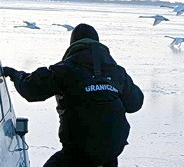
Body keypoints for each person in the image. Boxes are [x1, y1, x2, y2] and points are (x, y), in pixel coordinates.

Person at [2, 23, 144, 167]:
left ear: (73, 45)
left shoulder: (66, 70)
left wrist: (15, 74)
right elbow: (135, 103)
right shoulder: (117, 73)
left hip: (76, 155)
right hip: (109, 155)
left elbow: (30, 89)